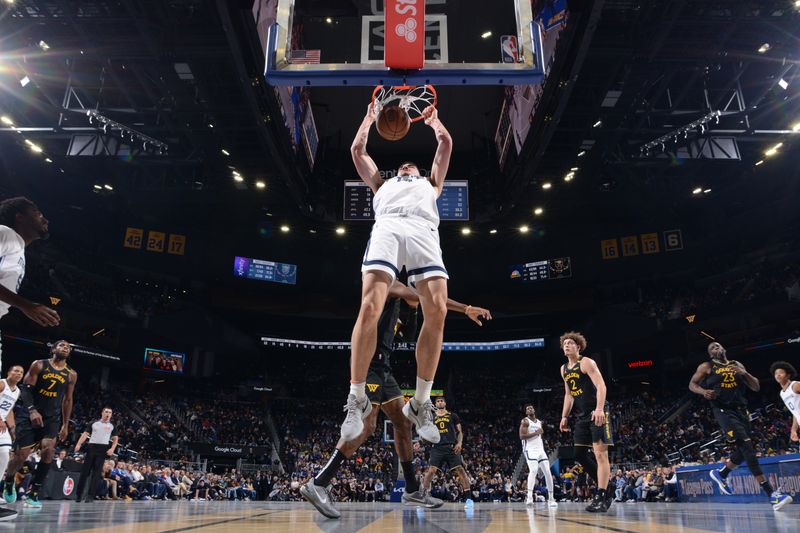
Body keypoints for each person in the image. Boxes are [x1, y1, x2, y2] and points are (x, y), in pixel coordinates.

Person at [301, 279, 490, 519]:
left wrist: (411, 311)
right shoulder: (390, 284)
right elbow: (433, 299)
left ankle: (412, 489)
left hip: (384, 368)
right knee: (368, 426)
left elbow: (408, 335)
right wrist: (464, 308)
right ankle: (318, 483)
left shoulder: (403, 304)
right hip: (368, 365)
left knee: (403, 422)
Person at [342, 102, 453, 445]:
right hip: (388, 228)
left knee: (438, 310)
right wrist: (370, 116)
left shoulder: (430, 185)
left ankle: (419, 403)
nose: (406, 165)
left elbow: (445, 145)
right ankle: (357, 398)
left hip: (422, 230)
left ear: (419, 173)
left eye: (412, 164)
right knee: (370, 308)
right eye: (402, 164)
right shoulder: (382, 185)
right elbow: (357, 149)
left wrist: (434, 123)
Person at [689, 342, 792, 511]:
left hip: (741, 410)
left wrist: (745, 373)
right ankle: (772, 495)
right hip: (723, 410)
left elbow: (756, 386)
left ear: (724, 349)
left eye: (717, 346)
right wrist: (703, 392)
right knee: (747, 448)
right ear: (710, 354)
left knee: (744, 449)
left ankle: (721, 474)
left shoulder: (736, 364)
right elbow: (692, 384)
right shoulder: (707, 366)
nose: (716, 348)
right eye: (712, 348)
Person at [2, 340, 77, 508]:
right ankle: (8, 479)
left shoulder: (71, 374)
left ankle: (34, 493)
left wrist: (65, 425)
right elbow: (26, 389)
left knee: (49, 450)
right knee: (21, 455)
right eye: (62, 345)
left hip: (52, 419)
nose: (65, 348)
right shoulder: (39, 365)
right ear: (53, 349)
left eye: (68, 347)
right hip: (29, 416)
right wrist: (32, 410)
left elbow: (68, 399)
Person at [0, 197, 60, 369]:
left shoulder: (18, 250)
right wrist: (26, 305)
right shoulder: (5, 233)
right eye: (37, 214)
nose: (45, 219)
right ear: (19, 217)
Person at [558, 331, 614, 512]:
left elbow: (601, 385)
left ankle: (602, 494)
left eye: (570, 343)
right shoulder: (564, 368)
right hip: (582, 415)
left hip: (598, 412)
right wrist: (564, 416)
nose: (567, 345)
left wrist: (599, 409)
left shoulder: (587, 362)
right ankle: (607, 486)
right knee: (578, 454)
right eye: (564, 343)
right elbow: (568, 395)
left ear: (578, 346)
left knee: (600, 454)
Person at [419, 396, 473, 506]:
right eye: (437, 401)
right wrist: (422, 439)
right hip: (437, 447)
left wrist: (459, 443)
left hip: (451, 447)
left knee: (460, 470)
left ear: (445, 403)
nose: (439, 402)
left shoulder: (453, 415)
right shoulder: (431, 417)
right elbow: (426, 434)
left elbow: (460, 432)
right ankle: (423, 497)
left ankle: (468, 498)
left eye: (441, 401)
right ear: (435, 404)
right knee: (431, 471)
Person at [74, 407, 118, 503]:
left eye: (110, 412)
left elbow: (115, 439)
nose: (108, 413)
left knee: (96, 474)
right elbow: (85, 434)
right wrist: (78, 444)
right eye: (106, 411)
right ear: (102, 413)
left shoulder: (112, 426)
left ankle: (90, 496)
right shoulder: (93, 423)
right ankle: (79, 495)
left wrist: (112, 449)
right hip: (91, 448)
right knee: (84, 473)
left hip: (102, 450)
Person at [519, 404, 557, 507]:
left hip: (540, 449)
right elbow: (522, 436)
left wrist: (539, 434)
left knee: (548, 472)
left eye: (531, 407)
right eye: (527, 408)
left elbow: (539, 436)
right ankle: (530, 497)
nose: (530, 409)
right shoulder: (525, 421)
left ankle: (551, 498)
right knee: (534, 470)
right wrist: (536, 433)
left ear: (534, 410)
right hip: (530, 449)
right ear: (526, 412)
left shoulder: (539, 422)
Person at [0, 365, 23, 521]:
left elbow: (9, 411)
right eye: (15, 371)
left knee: (5, 456)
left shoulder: (18, 391)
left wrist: (13, 430)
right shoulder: (2, 384)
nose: (18, 374)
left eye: (21, 372)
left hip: (2, 427)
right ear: (9, 372)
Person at [770, 361, 799, 445]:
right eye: (776, 373)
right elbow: (795, 413)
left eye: (781, 373)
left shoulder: (795, 385)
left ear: (788, 375)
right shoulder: (782, 393)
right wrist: (793, 430)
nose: (778, 375)